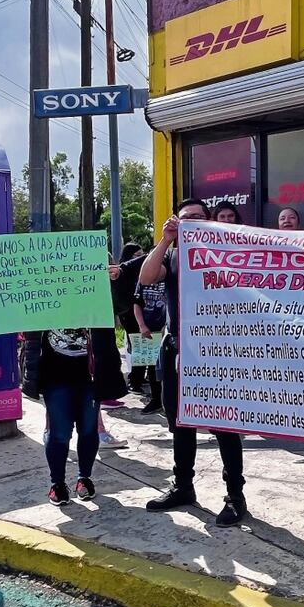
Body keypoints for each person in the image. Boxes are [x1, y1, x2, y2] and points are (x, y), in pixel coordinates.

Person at [139, 198, 249, 527]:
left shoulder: (227, 255)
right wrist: (165, 240)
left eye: (200, 218)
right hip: (176, 350)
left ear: (210, 221)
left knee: (224, 426)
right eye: (186, 218)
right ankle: (183, 486)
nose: (193, 223)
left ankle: (235, 495)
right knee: (180, 424)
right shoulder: (171, 256)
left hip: (217, 351)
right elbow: (146, 278)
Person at [21, 327, 115, 506]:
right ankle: (57, 484)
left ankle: (84, 478)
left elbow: (121, 306)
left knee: (88, 429)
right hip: (54, 374)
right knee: (59, 432)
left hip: (90, 374)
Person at [116, 243, 149, 393]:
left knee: (143, 345)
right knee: (137, 345)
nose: (141, 259)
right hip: (129, 313)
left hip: (138, 311)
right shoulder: (123, 270)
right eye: (138, 255)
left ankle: (140, 377)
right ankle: (134, 380)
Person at [133, 275, 165, 415]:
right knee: (151, 367)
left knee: (169, 368)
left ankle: (169, 400)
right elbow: (137, 303)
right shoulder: (143, 279)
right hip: (148, 330)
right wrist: (141, 325)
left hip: (167, 330)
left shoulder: (170, 276)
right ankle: (156, 399)